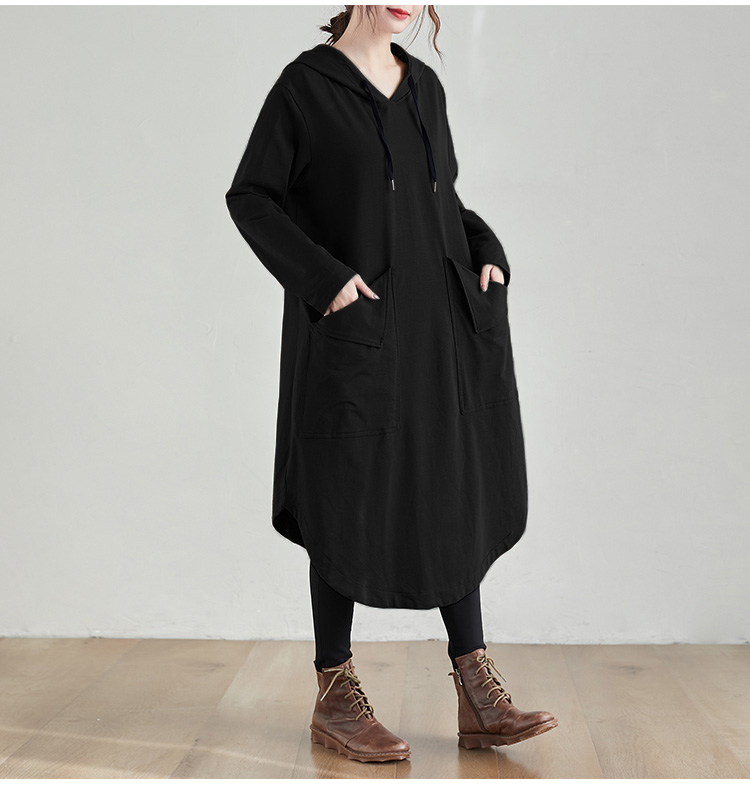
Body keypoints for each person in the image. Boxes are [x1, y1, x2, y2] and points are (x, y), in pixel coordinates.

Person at [225, 5, 558, 762]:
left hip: (437, 328)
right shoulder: (304, 88)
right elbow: (251, 197)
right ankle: (335, 695)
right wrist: (327, 281)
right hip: (358, 331)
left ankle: (477, 692)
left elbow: (441, 201)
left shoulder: (424, 87)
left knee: (449, 484)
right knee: (343, 491)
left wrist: (487, 249)